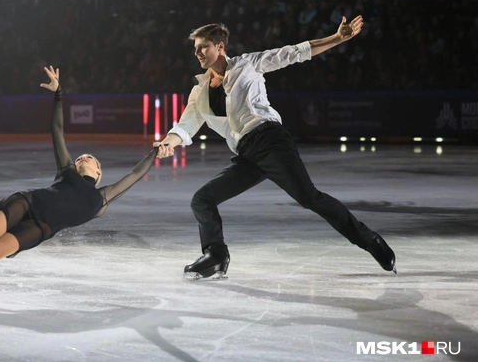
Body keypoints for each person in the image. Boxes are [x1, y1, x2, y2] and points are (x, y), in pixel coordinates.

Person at [153, 16, 396, 280]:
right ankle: (216, 255)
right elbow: (186, 125)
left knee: (309, 198)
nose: (197, 52)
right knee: (202, 200)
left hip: (270, 140)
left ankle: (370, 241)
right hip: (246, 153)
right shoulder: (198, 91)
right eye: (196, 48)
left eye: (203, 46)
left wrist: (337, 38)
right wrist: (169, 143)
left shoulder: (247, 64)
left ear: (220, 46)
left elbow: (293, 53)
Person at [0, 66, 159, 307]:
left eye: (89, 158)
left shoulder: (101, 199)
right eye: (81, 156)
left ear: (98, 172)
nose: (83, 157)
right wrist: (59, 94)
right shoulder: (67, 170)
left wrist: (155, 152)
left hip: (39, 228)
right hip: (27, 202)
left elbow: (135, 174)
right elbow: (57, 130)